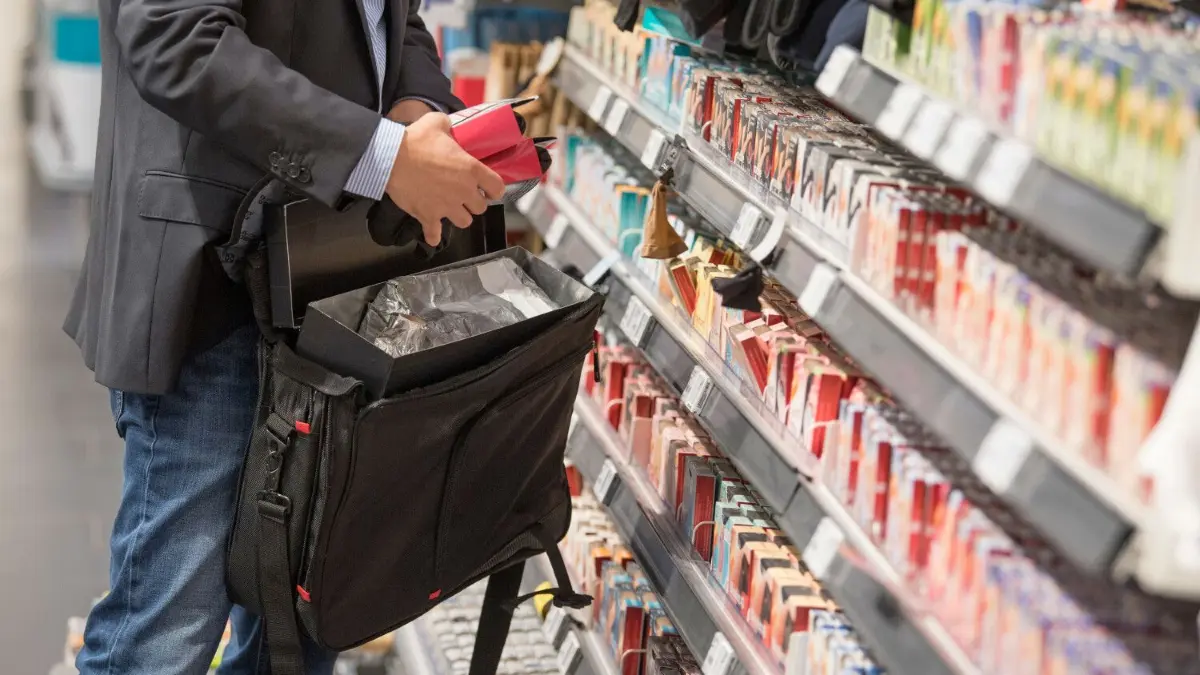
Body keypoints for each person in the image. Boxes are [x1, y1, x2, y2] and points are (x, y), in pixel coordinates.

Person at [63, 1, 505, 673]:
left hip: (327, 281)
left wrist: (416, 107)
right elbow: (175, 38)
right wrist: (382, 157)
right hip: (213, 286)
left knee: (296, 630)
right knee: (165, 632)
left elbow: (391, 20)